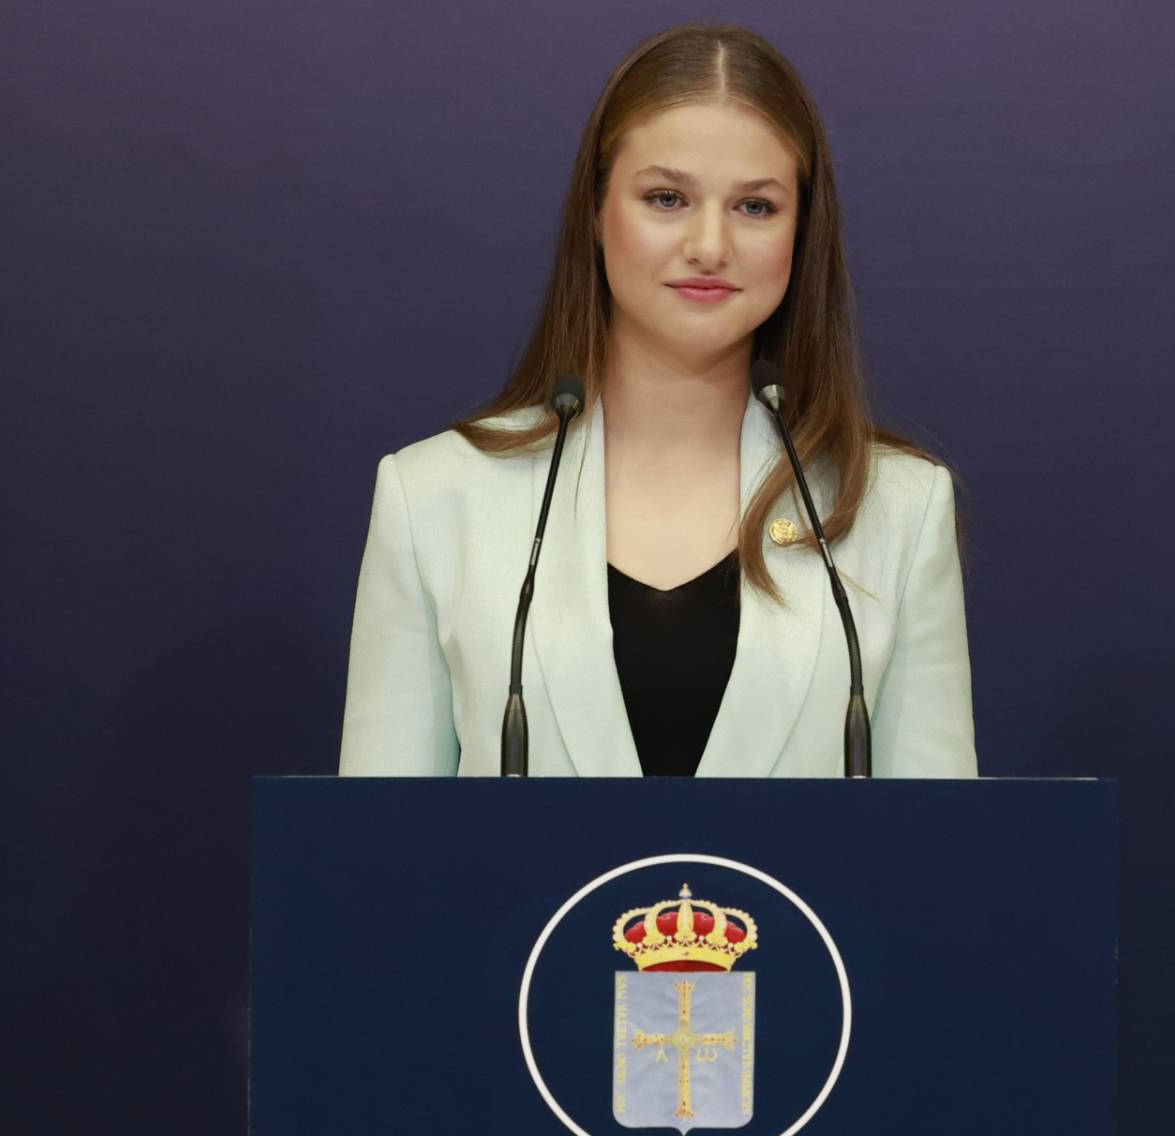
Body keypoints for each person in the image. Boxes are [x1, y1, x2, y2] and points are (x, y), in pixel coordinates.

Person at [338, 23, 976, 778]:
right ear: (596, 215)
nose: (710, 245)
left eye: (756, 207)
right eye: (667, 198)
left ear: (803, 235)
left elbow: (938, 867)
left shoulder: (898, 507)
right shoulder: (436, 497)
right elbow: (378, 866)